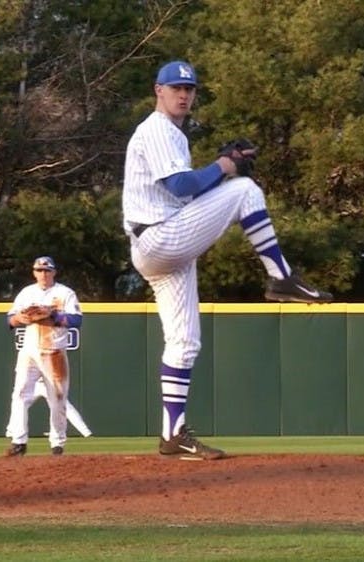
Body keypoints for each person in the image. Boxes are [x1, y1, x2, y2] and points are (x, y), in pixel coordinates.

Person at [121, 60, 333, 461]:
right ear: (158, 90)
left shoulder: (175, 136)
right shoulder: (157, 129)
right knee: (246, 189)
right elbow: (182, 185)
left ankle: (172, 435)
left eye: (190, 88)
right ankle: (281, 276)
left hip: (164, 248)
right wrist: (225, 166)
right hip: (160, 237)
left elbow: (187, 195)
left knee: (184, 344)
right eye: (175, 87)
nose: (183, 94)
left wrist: (218, 172)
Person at [4, 256, 84, 456]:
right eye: (39, 270)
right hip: (29, 351)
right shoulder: (27, 292)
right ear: (34, 272)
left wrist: (53, 316)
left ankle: (57, 444)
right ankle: (19, 442)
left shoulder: (65, 293)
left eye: (47, 270)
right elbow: (10, 320)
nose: (43, 274)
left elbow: (76, 320)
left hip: (54, 351)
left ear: (54, 272)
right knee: (20, 393)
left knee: (57, 399)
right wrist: (20, 318)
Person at [5, 378, 93, 438]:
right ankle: (11, 431)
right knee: (18, 404)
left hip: (50, 384)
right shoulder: (30, 353)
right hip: (34, 384)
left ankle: (86, 432)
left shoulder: (53, 353)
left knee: (66, 407)